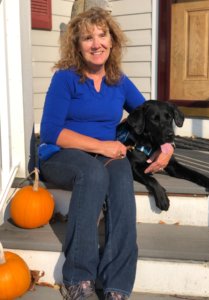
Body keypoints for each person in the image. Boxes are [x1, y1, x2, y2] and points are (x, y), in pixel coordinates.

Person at [39, 7, 174, 300]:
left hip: (105, 155)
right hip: (61, 153)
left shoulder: (118, 80)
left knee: (121, 175)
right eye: (87, 38)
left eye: (102, 35)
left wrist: (167, 146)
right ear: (77, 45)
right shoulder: (65, 78)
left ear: (113, 41)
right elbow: (51, 132)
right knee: (93, 172)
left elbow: (149, 112)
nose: (96, 43)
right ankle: (78, 277)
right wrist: (102, 147)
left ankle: (117, 285)